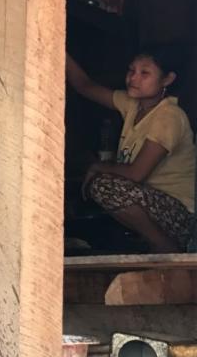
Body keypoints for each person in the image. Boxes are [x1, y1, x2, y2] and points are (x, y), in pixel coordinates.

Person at [67, 50, 195, 253]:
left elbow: (137, 173)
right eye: (131, 70)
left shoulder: (168, 117)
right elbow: (85, 86)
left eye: (144, 73)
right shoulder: (132, 105)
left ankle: (163, 245)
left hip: (178, 214)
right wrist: (58, 50)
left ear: (167, 80)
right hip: (149, 202)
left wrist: (98, 166)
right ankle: (148, 240)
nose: (133, 78)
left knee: (103, 186)